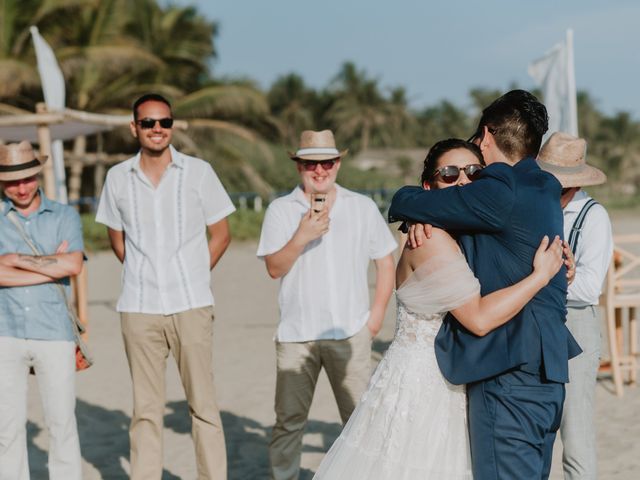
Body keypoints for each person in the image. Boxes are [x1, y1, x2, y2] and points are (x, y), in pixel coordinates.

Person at [313, 138, 565, 479]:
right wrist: (540, 276)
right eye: (449, 174)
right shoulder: (430, 238)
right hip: (427, 384)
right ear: (429, 186)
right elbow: (476, 318)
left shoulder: (464, 234)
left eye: (475, 172)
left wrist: (565, 263)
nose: (462, 181)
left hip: (458, 378)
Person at [389, 90, 582, 480]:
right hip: (547, 375)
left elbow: (403, 200)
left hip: (508, 372)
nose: (466, 181)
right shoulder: (544, 188)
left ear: (487, 135)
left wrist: (416, 209)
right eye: (452, 175)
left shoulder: (499, 189)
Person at [95, 93, 235, 479]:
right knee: (145, 410)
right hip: (138, 308)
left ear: (172, 125)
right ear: (134, 127)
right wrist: (145, 271)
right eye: (148, 123)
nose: (157, 129)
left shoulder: (199, 172)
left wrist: (192, 274)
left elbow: (221, 234)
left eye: (164, 122)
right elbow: (117, 239)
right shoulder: (116, 177)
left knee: (203, 406)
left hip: (191, 304)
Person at [257, 129, 397, 480]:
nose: (319, 171)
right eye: (310, 164)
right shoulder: (280, 209)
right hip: (295, 335)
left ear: (338, 163)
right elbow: (274, 268)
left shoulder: (361, 206)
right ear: (298, 166)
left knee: (359, 422)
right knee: (288, 422)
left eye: (327, 162)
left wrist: (375, 318)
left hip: (350, 331)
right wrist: (301, 236)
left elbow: (385, 261)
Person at [0, 141, 84, 480]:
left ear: (37, 174)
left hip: (54, 333)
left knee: (62, 423)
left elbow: (74, 265)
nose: (21, 187)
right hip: (4, 333)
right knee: (6, 428)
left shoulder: (65, 215)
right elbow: (62, 265)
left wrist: (15, 261)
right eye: (11, 181)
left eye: (27, 178)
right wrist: (50, 266)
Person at [537, 132, 613, 480]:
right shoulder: (535, 207)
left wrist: (559, 276)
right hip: (535, 322)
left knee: (576, 437)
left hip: (576, 325)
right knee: (538, 431)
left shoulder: (593, 217)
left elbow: (589, 288)